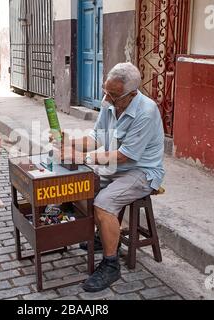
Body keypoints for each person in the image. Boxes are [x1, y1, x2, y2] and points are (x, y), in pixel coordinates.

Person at [57, 62, 165, 292]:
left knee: (104, 204)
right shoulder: (110, 104)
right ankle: (101, 235)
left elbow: (125, 156)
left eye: (113, 95)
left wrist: (83, 158)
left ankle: (110, 264)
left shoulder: (146, 111)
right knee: (80, 184)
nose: (106, 98)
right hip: (116, 167)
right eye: (105, 90)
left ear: (132, 94)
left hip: (142, 171)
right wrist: (67, 141)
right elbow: (96, 139)